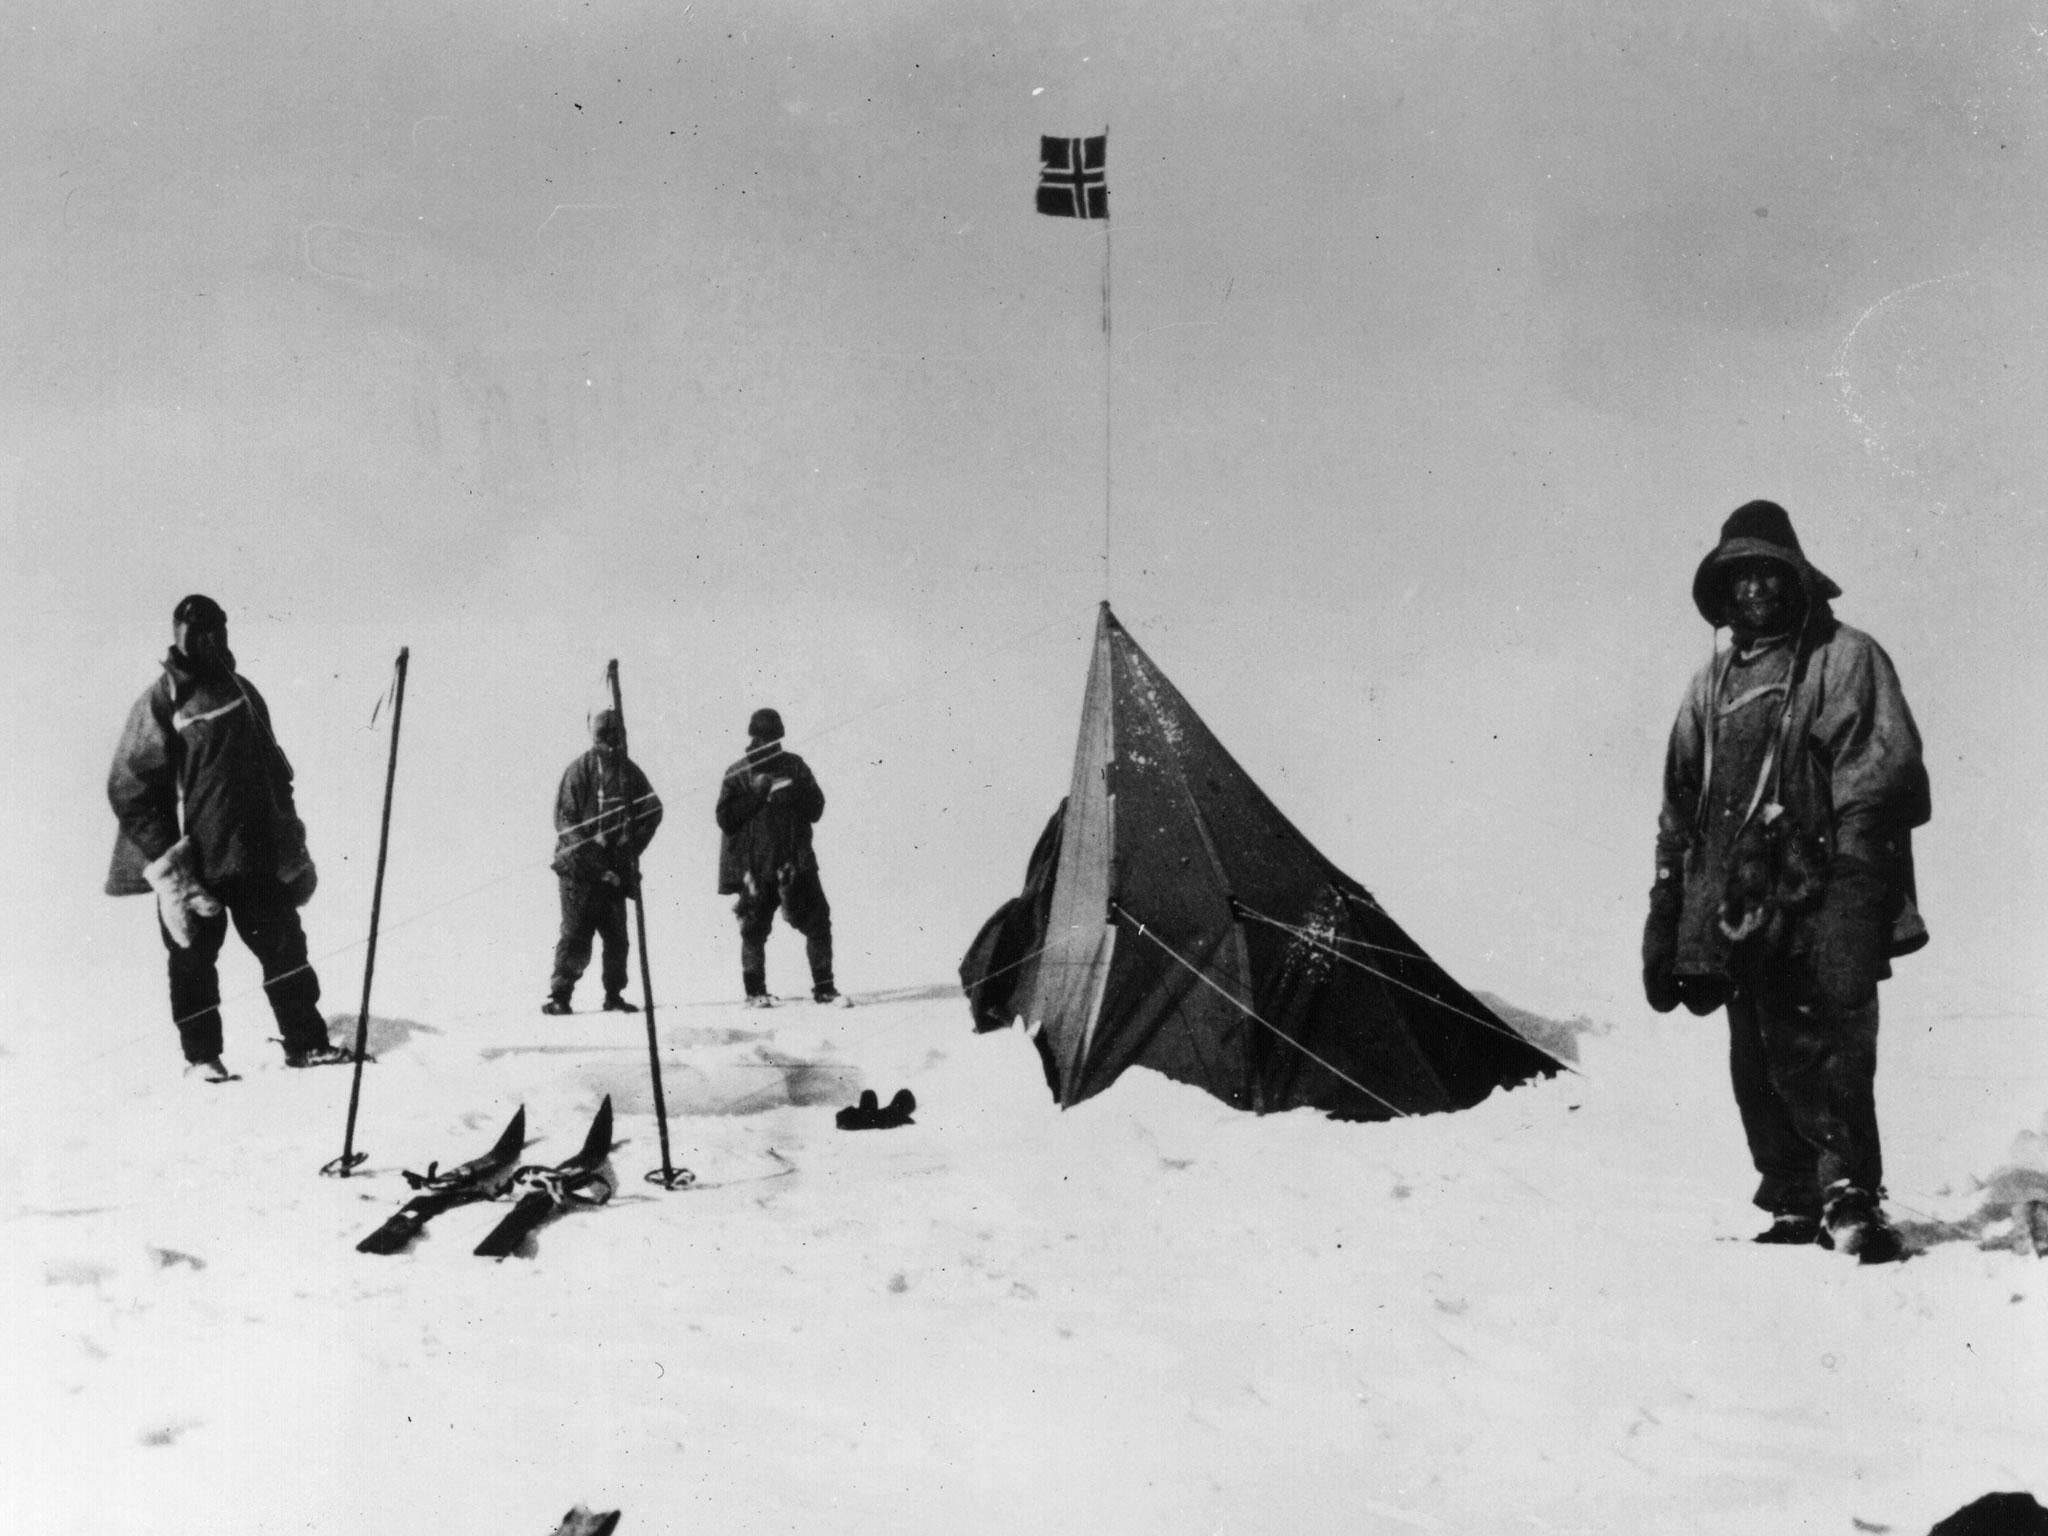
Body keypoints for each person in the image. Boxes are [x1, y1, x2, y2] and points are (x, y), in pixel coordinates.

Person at [1643, 501, 1930, 1264]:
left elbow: (1877, 774)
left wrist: (1853, 894)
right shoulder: (1709, 685)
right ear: (1723, 592)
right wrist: (1669, 905)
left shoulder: (1844, 657)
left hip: (1819, 891)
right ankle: (1795, 1196)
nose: (1756, 589)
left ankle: (1850, 1198)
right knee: (1757, 1053)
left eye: (1769, 571)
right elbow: (1680, 802)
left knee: (1830, 1048)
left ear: (1796, 578)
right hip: (1735, 909)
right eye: (1740, 577)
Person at [106, 594, 347, 1080]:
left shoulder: (242, 690)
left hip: (254, 856)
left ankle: (306, 1044)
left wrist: (290, 837)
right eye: (195, 631)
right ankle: (202, 1061)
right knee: (192, 962)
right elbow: (129, 787)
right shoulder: (163, 700)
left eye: (214, 628)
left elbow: (276, 772)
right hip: (194, 866)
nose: (207, 640)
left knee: (284, 949)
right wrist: (167, 862)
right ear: (179, 636)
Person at [715, 708, 847, 1007]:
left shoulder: (795, 766)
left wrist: (796, 797)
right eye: (764, 738)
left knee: (817, 923)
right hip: (756, 865)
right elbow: (725, 819)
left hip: (795, 861)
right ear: (754, 738)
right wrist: (757, 796)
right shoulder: (737, 773)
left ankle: (825, 988)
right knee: (753, 928)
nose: (770, 744)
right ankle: (755, 992)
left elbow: (817, 808)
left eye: (775, 738)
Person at [544, 708, 663, 1015]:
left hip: (614, 870)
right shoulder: (579, 770)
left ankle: (614, 994)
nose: (610, 742)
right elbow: (566, 822)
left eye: (615, 735)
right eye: (604, 735)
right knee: (576, 935)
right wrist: (594, 857)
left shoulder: (629, 772)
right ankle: (561, 995)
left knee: (617, 938)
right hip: (579, 871)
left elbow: (652, 809)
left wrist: (626, 850)